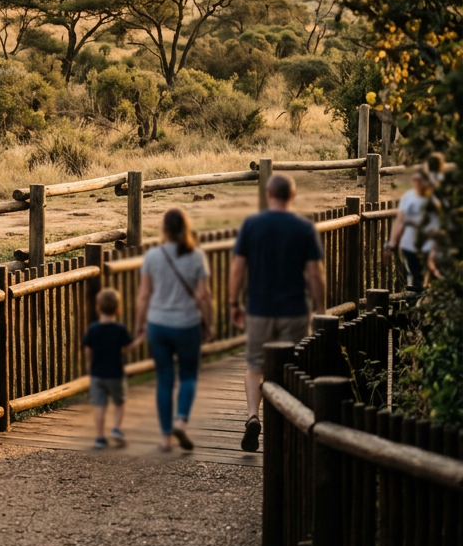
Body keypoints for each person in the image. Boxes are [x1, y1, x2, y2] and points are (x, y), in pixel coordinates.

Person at [230, 173, 325, 453]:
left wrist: (234, 303)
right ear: (292, 196)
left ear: (269, 194)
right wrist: (321, 308)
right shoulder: (303, 228)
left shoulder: (252, 225)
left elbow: (237, 268)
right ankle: (287, 424)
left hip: (259, 309)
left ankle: (252, 416)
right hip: (294, 309)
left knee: (254, 367)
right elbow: (314, 273)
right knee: (291, 366)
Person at [134, 209, 213, 453]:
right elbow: (203, 295)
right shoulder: (197, 256)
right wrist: (208, 323)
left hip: (158, 324)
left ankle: (166, 438)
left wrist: (139, 323)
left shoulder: (153, 256)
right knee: (188, 375)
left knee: (164, 380)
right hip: (187, 324)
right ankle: (181, 421)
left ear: (164, 229)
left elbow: (144, 295)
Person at [83, 288, 136, 450]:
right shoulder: (119, 329)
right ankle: (116, 429)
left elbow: (88, 350)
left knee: (100, 406)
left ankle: (99, 437)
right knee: (119, 403)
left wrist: (89, 366)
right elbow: (128, 348)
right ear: (118, 309)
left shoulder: (93, 328)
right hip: (115, 373)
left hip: (97, 373)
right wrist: (139, 339)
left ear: (98, 308)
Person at [385, 166, 440, 296]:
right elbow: (400, 221)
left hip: (428, 247)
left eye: (420, 180)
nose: (417, 182)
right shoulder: (407, 198)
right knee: (412, 279)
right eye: (414, 179)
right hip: (409, 246)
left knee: (427, 279)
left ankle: (425, 307)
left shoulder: (434, 200)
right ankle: (412, 305)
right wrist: (392, 243)